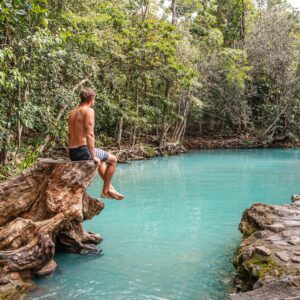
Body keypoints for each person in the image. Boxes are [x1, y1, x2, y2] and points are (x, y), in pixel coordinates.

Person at [68, 88, 124, 200]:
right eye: (94, 99)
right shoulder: (89, 111)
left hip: (72, 152)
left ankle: (110, 188)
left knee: (102, 159)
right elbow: (90, 134)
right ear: (91, 99)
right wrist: (93, 156)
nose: (94, 102)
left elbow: (69, 134)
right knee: (113, 160)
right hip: (84, 151)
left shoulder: (72, 112)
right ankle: (105, 190)